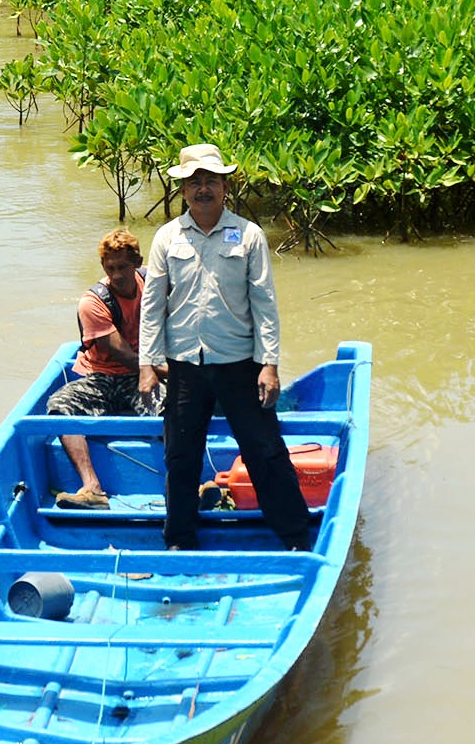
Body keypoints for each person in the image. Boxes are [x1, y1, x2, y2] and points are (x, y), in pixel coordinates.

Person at [137, 144, 315, 552]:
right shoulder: (167, 237)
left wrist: (269, 364)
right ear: (182, 190)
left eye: (211, 181)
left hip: (240, 366)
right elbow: (153, 305)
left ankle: (295, 537)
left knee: (265, 452)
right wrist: (148, 363)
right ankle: (179, 540)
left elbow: (265, 304)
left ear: (225, 186)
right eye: (194, 182)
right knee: (181, 458)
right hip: (184, 367)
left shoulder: (249, 235)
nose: (203, 189)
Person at [45, 228, 152, 510]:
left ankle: (190, 482)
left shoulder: (154, 283)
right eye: (110, 267)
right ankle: (92, 488)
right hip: (103, 376)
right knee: (59, 405)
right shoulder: (92, 302)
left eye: (123, 267)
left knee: (181, 406)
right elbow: (124, 356)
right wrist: (172, 373)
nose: (117, 274)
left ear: (138, 262)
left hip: (144, 372)